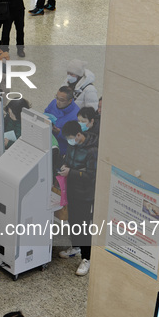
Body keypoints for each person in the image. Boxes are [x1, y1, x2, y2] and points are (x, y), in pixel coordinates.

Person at [58, 120, 98, 276]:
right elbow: (68, 161)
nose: (69, 141)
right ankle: (75, 247)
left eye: (71, 137)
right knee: (72, 221)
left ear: (79, 134)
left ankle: (87, 258)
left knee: (83, 225)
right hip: (71, 189)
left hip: (85, 193)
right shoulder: (72, 145)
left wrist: (71, 172)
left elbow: (92, 175)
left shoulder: (92, 150)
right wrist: (63, 167)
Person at [44, 86, 79, 155]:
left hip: (61, 149)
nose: (58, 102)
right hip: (48, 141)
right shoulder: (53, 103)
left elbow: (74, 138)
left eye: (62, 100)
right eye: (57, 98)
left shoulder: (76, 115)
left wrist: (60, 132)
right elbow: (46, 113)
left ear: (70, 100)